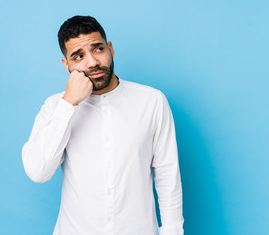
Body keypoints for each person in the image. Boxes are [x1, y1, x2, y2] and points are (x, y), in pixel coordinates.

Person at [22, 15, 184, 235]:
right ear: (66, 65)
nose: (92, 62)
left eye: (98, 49)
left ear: (110, 49)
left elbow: (167, 176)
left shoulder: (152, 101)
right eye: (78, 56)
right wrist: (69, 103)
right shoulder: (55, 107)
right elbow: (38, 172)